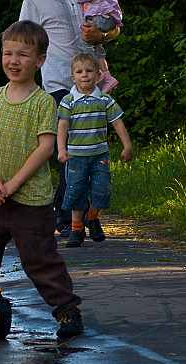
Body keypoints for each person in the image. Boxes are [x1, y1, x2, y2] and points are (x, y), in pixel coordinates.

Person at [0, 20, 84, 339]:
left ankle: (67, 312)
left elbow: (46, 147)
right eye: (8, 53)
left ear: (41, 60)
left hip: (30, 202)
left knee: (41, 259)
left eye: (23, 54)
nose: (14, 60)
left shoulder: (43, 102)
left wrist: (14, 183)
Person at [20, 0, 121, 233]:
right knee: (71, 150)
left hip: (93, 82)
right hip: (59, 84)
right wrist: (25, 86)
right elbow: (25, 43)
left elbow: (115, 23)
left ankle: (71, 214)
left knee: (89, 149)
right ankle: (68, 219)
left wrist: (102, 37)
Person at [57, 53, 134, 247]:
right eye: (79, 72)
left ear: (98, 76)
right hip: (76, 156)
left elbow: (117, 122)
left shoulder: (105, 100)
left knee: (102, 191)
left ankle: (91, 217)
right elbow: (62, 127)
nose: (85, 75)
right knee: (76, 191)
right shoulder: (68, 101)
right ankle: (76, 229)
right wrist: (61, 150)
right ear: (73, 78)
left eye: (89, 71)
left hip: (100, 155)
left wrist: (127, 145)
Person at [73, 0, 123, 93]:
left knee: (84, 45)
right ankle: (107, 77)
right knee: (97, 48)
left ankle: (95, 75)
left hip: (100, 18)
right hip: (109, 19)